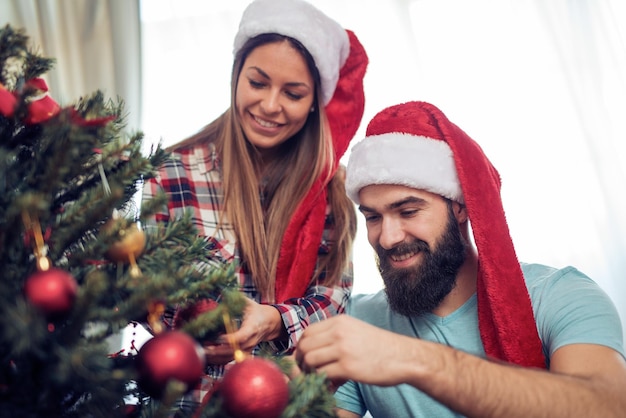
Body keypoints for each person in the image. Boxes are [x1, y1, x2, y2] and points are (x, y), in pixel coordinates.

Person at [295, 101, 626, 417]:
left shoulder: (561, 296)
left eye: (408, 211)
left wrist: (410, 358)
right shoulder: (357, 322)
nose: (388, 237)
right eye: (373, 217)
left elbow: (608, 408)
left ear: (460, 206)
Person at [142, 0, 367, 410]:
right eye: (258, 83)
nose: (270, 105)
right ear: (236, 78)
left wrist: (273, 321)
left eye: (293, 93)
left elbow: (334, 301)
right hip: (186, 403)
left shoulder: (329, 189)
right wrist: (199, 325)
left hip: (289, 402)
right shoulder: (174, 173)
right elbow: (145, 288)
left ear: (316, 100)